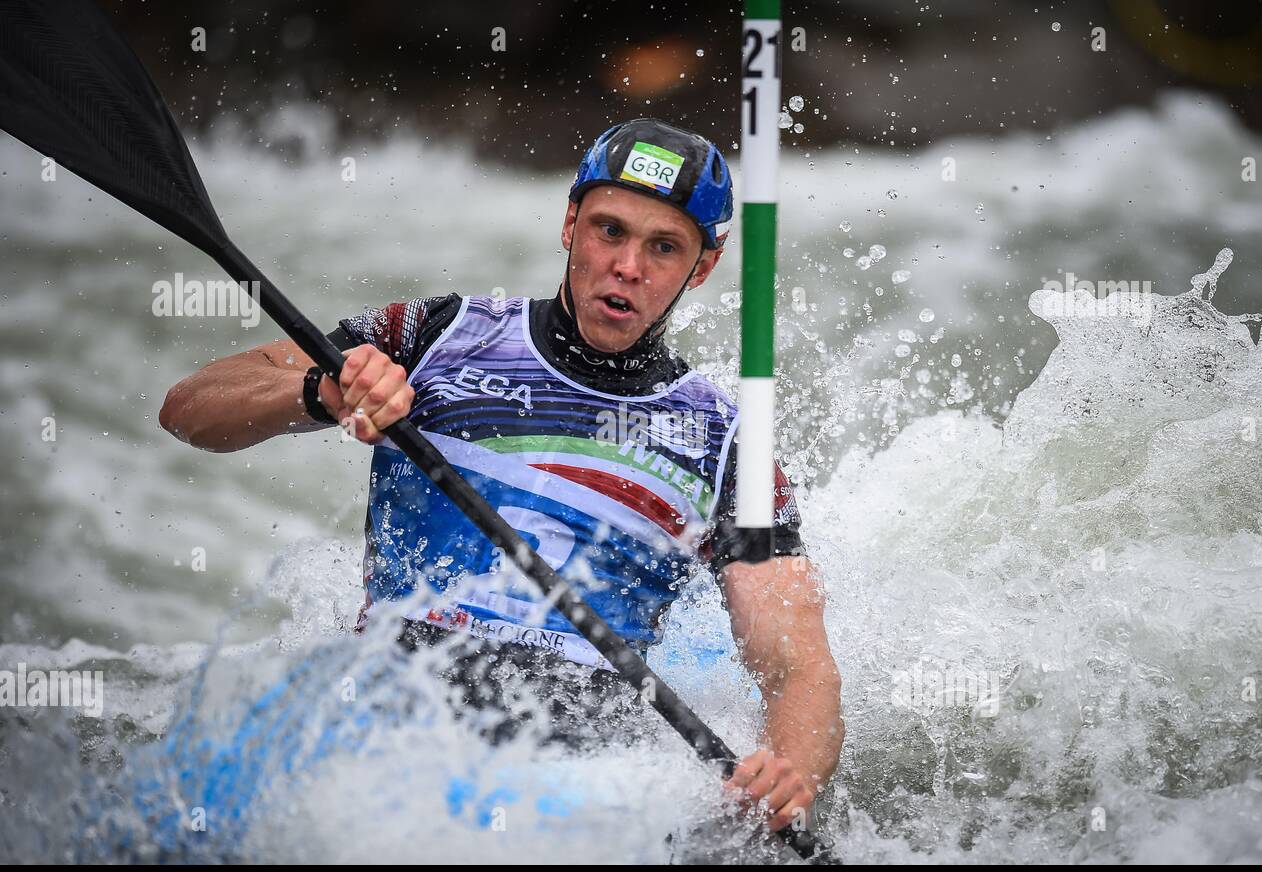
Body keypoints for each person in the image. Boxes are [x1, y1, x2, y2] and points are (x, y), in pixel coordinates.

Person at [159, 118, 843, 834]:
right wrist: (320, 392)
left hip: (583, 780)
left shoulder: (729, 446)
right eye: (610, 230)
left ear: (702, 266)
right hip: (384, 740)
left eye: (663, 247)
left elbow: (800, 665)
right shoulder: (433, 335)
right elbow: (188, 407)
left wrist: (787, 771)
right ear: (571, 222)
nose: (628, 267)